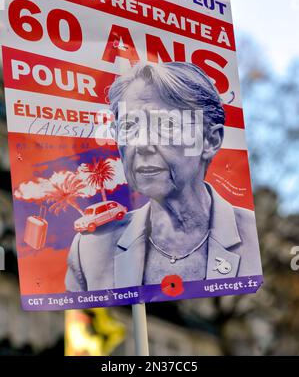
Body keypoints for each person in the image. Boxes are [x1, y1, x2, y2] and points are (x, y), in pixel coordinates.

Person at [65, 62, 262, 292]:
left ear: (210, 140)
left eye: (166, 124)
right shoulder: (90, 250)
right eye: (129, 126)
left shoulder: (257, 243)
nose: (142, 144)